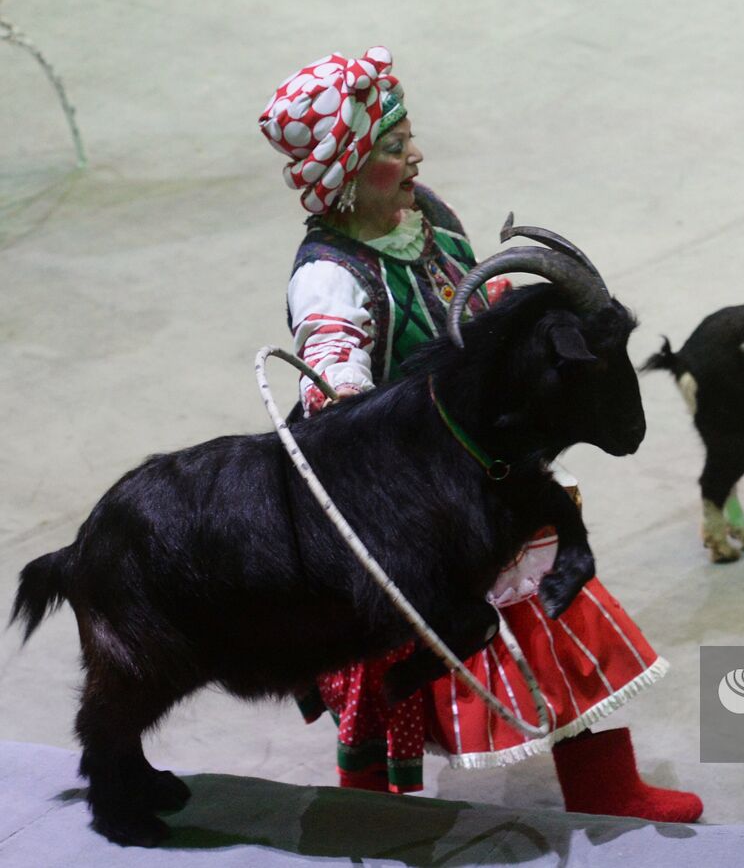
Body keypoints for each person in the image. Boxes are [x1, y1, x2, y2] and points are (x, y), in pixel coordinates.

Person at [257, 46, 702, 823]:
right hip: (401, 492)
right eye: (394, 148)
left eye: (408, 138)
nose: (415, 155)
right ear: (347, 171)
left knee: (560, 606)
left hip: (478, 462)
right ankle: (370, 810)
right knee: (388, 661)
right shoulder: (328, 275)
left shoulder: (425, 213)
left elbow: (480, 301)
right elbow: (337, 398)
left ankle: (605, 784)